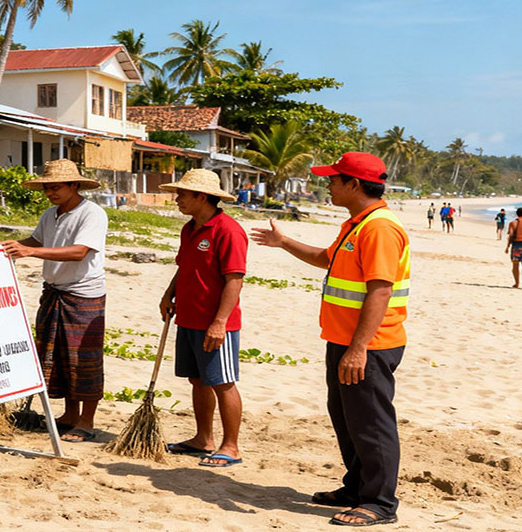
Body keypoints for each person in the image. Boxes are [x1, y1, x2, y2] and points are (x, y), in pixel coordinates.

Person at [250, 152, 408, 527]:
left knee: (371, 422)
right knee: (347, 418)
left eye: (334, 180)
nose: (328, 185)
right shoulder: (358, 223)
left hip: (369, 345)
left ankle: (379, 502)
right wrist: (283, 242)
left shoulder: (379, 228)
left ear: (354, 184)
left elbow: (381, 291)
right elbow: (327, 258)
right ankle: (357, 487)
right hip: (344, 340)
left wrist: (358, 348)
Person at [0, 160, 107, 442]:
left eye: (56, 187)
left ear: (74, 185)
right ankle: (70, 415)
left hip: (83, 293)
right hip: (54, 290)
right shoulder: (50, 215)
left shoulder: (92, 214)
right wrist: (6, 247)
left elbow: (79, 251)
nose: (50, 193)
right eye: (46, 188)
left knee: (84, 359)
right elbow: (35, 240)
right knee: (60, 357)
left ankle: (87, 421)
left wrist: (30, 253)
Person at [158, 169, 247, 469]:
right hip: (188, 318)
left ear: (201, 196)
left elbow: (234, 279)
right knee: (197, 380)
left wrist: (219, 322)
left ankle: (231, 446)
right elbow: (184, 266)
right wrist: (168, 295)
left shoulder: (228, 230)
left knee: (223, 382)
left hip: (216, 323)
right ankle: (203, 439)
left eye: (182, 194)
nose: (177, 199)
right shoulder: (189, 229)